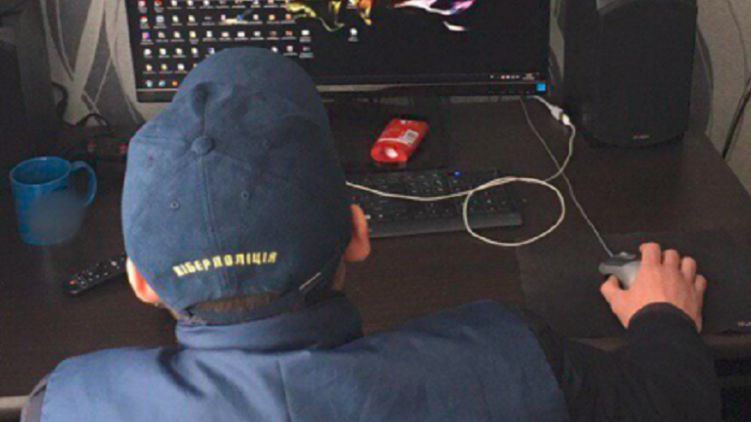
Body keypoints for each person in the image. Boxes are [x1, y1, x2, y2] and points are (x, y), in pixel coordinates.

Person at [22, 48, 721, 422]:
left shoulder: (68, 405)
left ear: (141, 281)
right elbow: (677, 403)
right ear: (358, 233)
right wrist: (662, 315)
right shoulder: (508, 359)